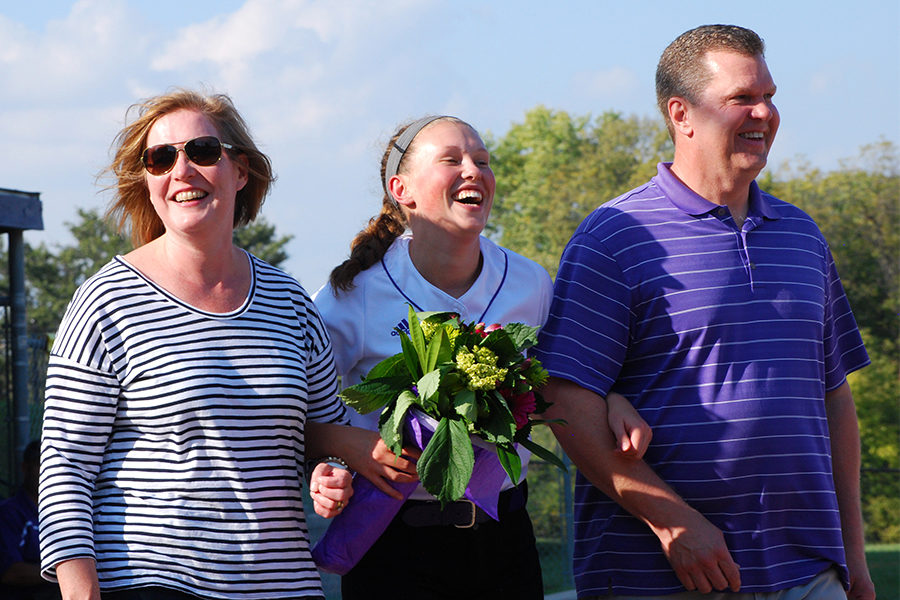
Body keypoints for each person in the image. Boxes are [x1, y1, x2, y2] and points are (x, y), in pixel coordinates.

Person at [535, 24, 876, 600]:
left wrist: (854, 560)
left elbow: (834, 397)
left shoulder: (802, 236)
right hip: (663, 577)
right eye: (742, 98)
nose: (764, 113)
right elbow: (563, 398)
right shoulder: (616, 237)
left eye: (769, 96)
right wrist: (672, 520)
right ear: (681, 114)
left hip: (808, 571)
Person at [38, 89, 412, 600]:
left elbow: (326, 435)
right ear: (148, 180)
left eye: (204, 151)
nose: (182, 169)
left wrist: (331, 474)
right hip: (151, 583)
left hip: (282, 586)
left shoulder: (290, 300)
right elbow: (65, 465)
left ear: (241, 172)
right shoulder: (106, 298)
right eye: (162, 157)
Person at [313, 115, 650, 599]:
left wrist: (612, 396)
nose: (473, 170)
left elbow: (564, 379)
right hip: (393, 544)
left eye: (483, 161)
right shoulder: (352, 296)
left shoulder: (529, 283)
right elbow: (302, 413)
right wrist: (330, 462)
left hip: (504, 536)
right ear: (401, 189)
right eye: (451, 159)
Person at [0, 441, 59, 600]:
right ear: (26, 468)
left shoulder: (66, 513)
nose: (49, 473)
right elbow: (11, 572)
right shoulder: (9, 513)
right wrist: (64, 572)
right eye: (42, 465)